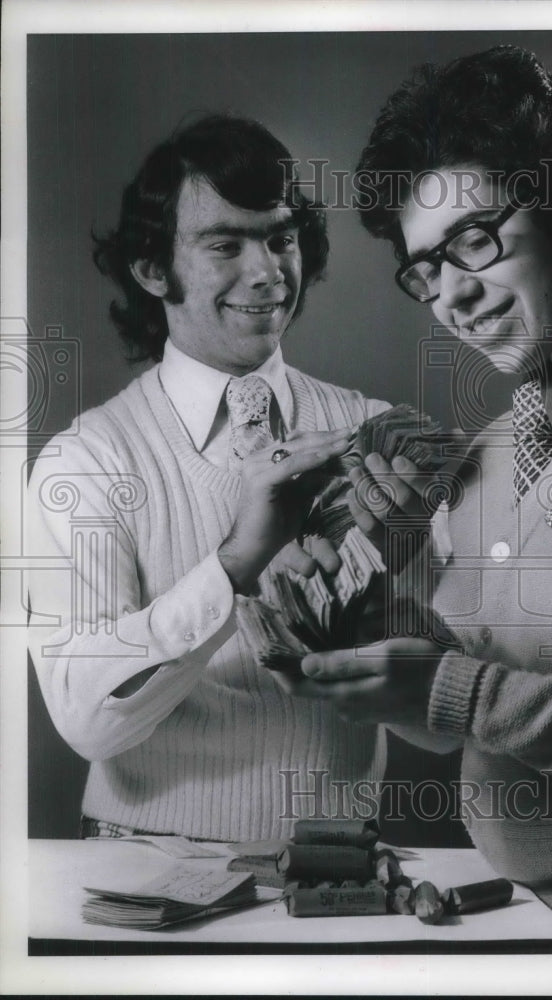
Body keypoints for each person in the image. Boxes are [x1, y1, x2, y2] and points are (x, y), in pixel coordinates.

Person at [278, 47, 552, 953]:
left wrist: (459, 692)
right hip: (513, 921)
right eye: (422, 268)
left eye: (474, 238)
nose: (450, 297)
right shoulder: (501, 445)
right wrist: (363, 624)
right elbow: (466, 727)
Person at [27, 114, 391, 843]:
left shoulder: (370, 431)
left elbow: (450, 727)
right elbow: (85, 721)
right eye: (225, 244)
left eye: (281, 237)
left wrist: (404, 587)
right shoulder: (86, 460)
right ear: (152, 268)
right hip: (148, 886)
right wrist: (236, 564)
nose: (267, 272)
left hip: (343, 875)